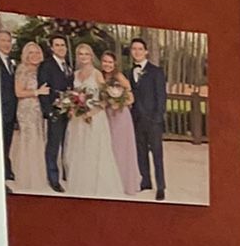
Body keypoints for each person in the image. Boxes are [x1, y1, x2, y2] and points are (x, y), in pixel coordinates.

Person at [62, 43, 124, 201]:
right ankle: (80, 184)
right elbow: (72, 96)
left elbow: (105, 99)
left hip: (94, 118)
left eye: (86, 54)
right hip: (77, 120)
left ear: (91, 56)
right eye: (81, 54)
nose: (84, 57)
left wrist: (91, 112)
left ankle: (97, 186)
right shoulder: (75, 74)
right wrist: (72, 108)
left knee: (94, 151)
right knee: (78, 150)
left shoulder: (97, 74)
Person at [98, 49, 141, 197]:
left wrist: (119, 103)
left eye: (110, 62)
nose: (107, 64)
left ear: (114, 63)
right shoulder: (100, 76)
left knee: (121, 149)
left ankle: (124, 182)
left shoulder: (119, 77)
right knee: (108, 149)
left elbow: (131, 98)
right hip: (106, 116)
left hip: (120, 116)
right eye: (105, 61)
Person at [129, 37, 167, 200]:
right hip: (136, 120)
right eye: (134, 49)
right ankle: (146, 181)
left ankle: (161, 186)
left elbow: (161, 96)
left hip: (153, 121)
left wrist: (157, 118)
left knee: (157, 154)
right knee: (141, 152)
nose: (136, 52)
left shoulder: (156, 71)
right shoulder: (130, 72)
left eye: (139, 49)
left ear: (146, 52)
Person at [10, 41, 49, 194]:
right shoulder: (22, 69)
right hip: (26, 109)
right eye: (31, 52)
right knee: (29, 141)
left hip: (38, 110)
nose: (34, 55)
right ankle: (28, 178)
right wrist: (37, 92)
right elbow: (18, 92)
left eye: (37, 52)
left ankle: (39, 176)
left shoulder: (41, 69)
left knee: (39, 140)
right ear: (26, 55)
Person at [38, 34, 74, 191]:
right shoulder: (46, 65)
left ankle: (67, 173)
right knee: (53, 146)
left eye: (63, 45)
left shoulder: (67, 66)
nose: (60, 48)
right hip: (55, 111)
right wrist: (48, 112)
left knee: (66, 144)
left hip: (69, 111)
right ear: (52, 48)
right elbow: (44, 89)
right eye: (57, 45)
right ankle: (53, 179)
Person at [0, 30, 16, 183]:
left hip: (10, 112)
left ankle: (6, 171)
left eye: (8, 41)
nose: (6, 44)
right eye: (3, 40)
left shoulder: (11, 62)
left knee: (6, 144)